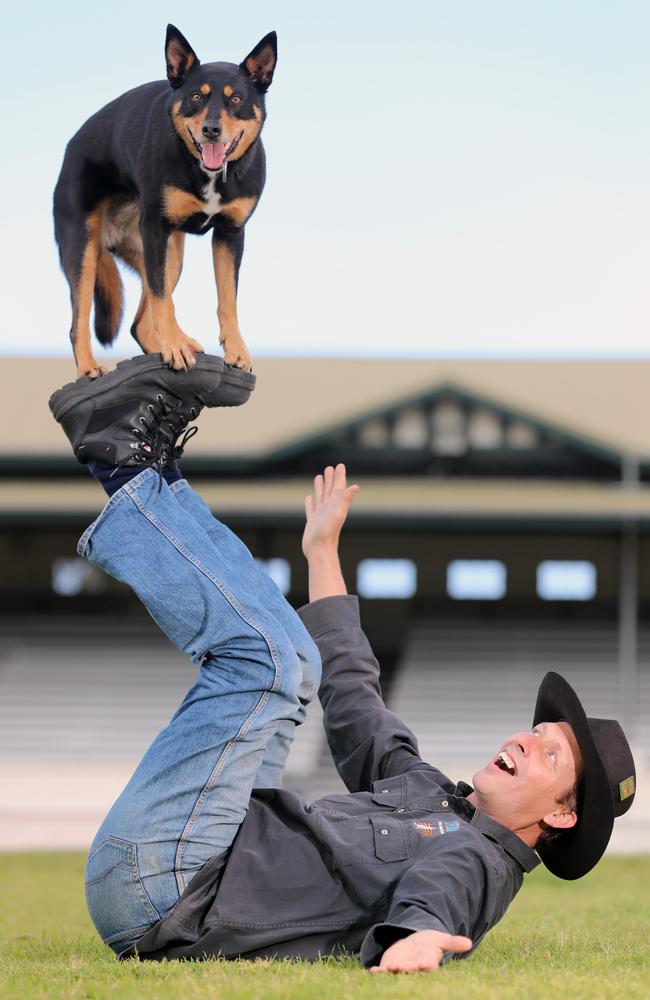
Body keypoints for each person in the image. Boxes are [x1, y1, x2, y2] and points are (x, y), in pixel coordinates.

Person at [49, 356, 637, 973]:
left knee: (266, 665)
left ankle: (121, 462)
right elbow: (357, 700)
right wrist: (323, 552)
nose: (525, 738)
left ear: (561, 814)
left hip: (172, 889)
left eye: (550, 754)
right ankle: (154, 467)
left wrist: (420, 937)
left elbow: (443, 893)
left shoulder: (481, 860)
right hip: (209, 849)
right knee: (300, 663)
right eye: (538, 730)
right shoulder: (430, 794)